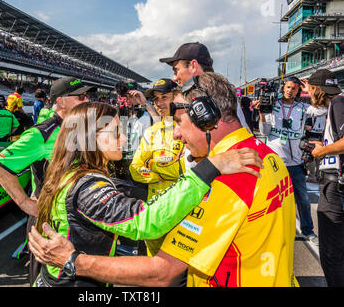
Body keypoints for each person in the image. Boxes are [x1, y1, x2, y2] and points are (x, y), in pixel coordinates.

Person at [28, 72, 298, 288]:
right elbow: (144, 219)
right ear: (89, 139)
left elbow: (161, 272)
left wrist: (74, 260)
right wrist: (206, 169)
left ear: (207, 118)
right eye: (116, 132)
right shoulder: (266, 155)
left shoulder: (233, 172)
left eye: (179, 121)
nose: (176, 134)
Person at [0, 77, 92, 285]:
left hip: (75, 216)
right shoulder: (41, 133)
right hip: (47, 219)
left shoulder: (80, 127)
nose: (87, 100)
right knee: (42, 278)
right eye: (81, 96)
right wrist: (25, 203)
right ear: (61, 102)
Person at [256, 76, 328, 246]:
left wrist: (310, 90)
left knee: (302, 199)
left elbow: (323, 109)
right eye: (288, 87)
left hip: (296, 163)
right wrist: (262, 113)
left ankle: (308, 231)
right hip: (275, 163)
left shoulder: (302, 107)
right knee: (272, 200)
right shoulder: (273, 106)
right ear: (283, 88)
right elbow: (264, 132)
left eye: (294, 88)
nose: (290, 90)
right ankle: (272, 232)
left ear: (298, 91)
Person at [159, 42, 249, 170]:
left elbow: (238, 149)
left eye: (176, 70)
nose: (174, 77)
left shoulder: (218, 98)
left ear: (193, 65)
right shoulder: (215, 95)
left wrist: (208, 169)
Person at [129, 79, 184, 256]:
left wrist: (152, 163)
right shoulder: (151, 131)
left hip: (183, 211)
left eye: (164, 97)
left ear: (177, 97)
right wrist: (162, 174)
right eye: (156, 99)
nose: (159, 103)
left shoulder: (188, 128)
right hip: (155, 212)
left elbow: (185, 169)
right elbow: (135, 169)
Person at [307, 69, 344, 286]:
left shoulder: (338, 103)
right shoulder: (337, 103)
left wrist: (321, 152)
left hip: (335, 188)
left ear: (317, 89)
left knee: (331, 254)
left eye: (310, 89)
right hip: (335, 185)